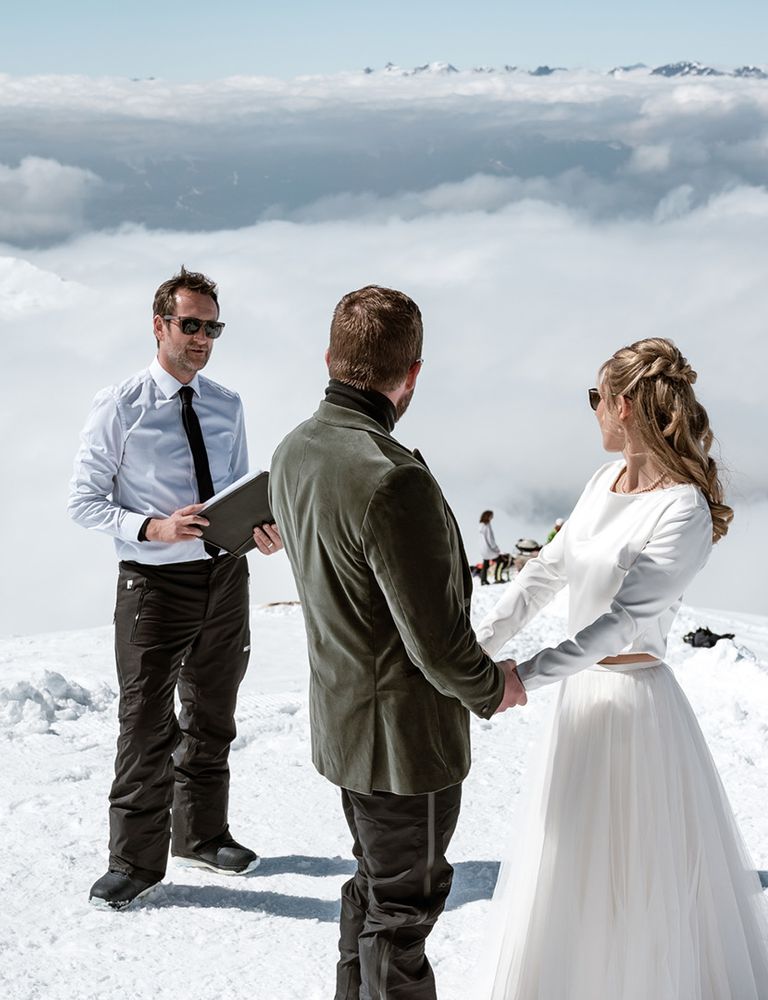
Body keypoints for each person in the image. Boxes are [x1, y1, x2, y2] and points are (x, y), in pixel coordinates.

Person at [475, 338, 768, 999]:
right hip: (580, 704)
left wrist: (524, 675)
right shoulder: (600, 482)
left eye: (595, 397)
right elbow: (546, 572)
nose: (592, 409)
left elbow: (622, 622)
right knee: (571, 873)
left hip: (634, 710)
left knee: (636, 881)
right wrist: (478, 646)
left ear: (623, 406)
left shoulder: (683, 509)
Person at [269, 284, 526, 1000]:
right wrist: (493, 686)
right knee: (402, 913)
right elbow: (435, 644)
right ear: (412, 373)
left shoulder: (294, 449)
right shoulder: (391, 477)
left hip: (345, 722)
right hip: (404, 745)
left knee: (374, 888)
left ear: (330, 357)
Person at [68, 266, 284, 911]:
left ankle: (202, 835)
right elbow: (84, 501)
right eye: (190, 325)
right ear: (159, 325)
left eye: (213, 328)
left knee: (213, 712)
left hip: (225, 575)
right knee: (146, 723)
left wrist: (258, 529)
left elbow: (237, 490)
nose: (202, 339)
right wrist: (152, 527)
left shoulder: (227, 404)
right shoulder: (120, 405)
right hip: (154, 585)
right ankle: (133, 862)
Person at [479, 510, 502, 585]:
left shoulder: (481, 525)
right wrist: (496, 549)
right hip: (489, 548)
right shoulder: (487, 525)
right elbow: (490, 539)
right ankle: (498, 578)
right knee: (500, 560)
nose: (492, 517)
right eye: (491, 516)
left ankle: (483, 580)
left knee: (485, 564)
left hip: (483, 549)